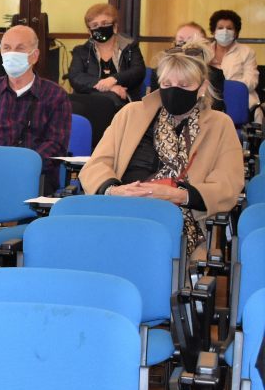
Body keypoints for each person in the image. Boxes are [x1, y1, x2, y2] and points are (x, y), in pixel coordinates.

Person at [79, 50, 243, 254]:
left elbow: (228, 186)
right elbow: (95, 165)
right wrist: (115, 190)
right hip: (122, 208)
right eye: (167, 84)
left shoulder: (220, 124)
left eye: (184, 85)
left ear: (202, 88)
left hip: (178, 218)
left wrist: (178, 195)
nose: (174, 91)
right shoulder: (131, 113)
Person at [0, 24, 72, 192]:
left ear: (34, 56)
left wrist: (20, 166)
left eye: (20, 48)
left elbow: (55, 146)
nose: (12, 53)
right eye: (7, 48)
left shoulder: (56, 96)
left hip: (34, 177)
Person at [67, 3, 146, 148]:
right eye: (95, 25)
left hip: (122, 104)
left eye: (105, 23)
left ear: (114, 26)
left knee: (108, 102)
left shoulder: (130, 48)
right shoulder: (81, 51)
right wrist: (110, 87)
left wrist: (114, 79)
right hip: (88, 101)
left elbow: (138, 71)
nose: (100, 28)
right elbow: (75, 77)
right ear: (89, 31)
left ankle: (103, 149)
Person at [208, 9, 259, 117]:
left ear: (236, 32)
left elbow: (251, 81)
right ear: (213, 31)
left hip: (239, 98)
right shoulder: (205, 51)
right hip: (210, 97)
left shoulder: (247, 52)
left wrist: (229, 88)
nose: (225, 32)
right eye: (220, 28)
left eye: (229, 28)